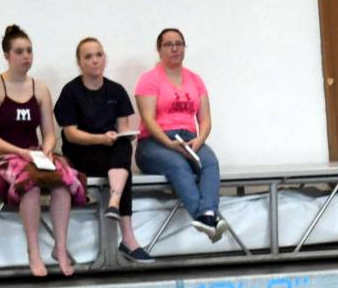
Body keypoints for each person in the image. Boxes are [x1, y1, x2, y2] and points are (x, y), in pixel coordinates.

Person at [0, 25, 86, 277]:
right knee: (31, 185)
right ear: (6, 56)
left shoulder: (40, 88)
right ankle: (34, 251)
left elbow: (48, 132)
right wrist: (20, 152)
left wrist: (47, 149)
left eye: (29, 51)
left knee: (64, 181)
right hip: (3, 157)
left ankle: (60, 247)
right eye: (19, 52)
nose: (26, 56)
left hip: (33, 155)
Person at [54, 37, 152, 264]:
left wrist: (120, 136)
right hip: (81, 153)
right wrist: (100, 138)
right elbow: (70, 134)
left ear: (105, 58)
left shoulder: (116, 91)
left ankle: (114, 204)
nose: (95, 60)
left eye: (99, 55)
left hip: (111, 152)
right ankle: (128, 238)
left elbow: (123, 129)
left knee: (123, 148)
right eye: (88, 56)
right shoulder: (71, 91)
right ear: (79, 62)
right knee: (122, 168)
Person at [134, 28, 229, 243]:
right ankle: (210, 217)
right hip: (154, 142)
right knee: (178, 165)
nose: (175, 48)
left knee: (210, 163)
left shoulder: (195, 80)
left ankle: (206, 215)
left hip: (189, 140)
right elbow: (148, 118)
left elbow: (205, 119)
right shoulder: (149, 79)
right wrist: (168, 142)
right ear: (159, 50)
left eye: (179, 43)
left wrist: (199, 140)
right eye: (168, 44)